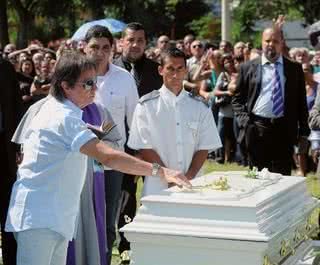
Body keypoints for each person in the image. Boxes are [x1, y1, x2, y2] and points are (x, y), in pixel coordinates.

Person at [5, 51, 190, 265]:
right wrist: (162, 171)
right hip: (39, 219)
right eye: (88, 83)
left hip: (52, 216)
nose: (95, 88)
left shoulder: (68, 111)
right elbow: (109, 157)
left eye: (96, 82)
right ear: (65, 86)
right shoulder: (62, 116)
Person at [128, 48, 221, 195]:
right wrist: (168, 175)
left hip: (193, 183)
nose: (175, 75)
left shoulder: (199, 106)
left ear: (186, 70)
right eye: (170, 69)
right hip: (158, 184)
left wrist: (189, 176)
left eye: (180, 69)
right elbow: (144, 147)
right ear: (160, 70)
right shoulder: (146, 105)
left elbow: (204, 146)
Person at [83, 25, 139, 265]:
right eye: (94, 47)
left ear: (113, 50)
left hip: (113, 164)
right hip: (79, 161)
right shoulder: (74, 77)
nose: (100, 52)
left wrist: (132, 167)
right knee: (80, 220)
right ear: (84, 48)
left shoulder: (124, 78)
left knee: (107, 221)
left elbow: (135, 122)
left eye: (106, 48)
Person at [113, 22, 163, 261]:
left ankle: (156, 240)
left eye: (140, 40)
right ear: (121, 41)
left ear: (146, 43)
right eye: (130, 40)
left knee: (156, 194)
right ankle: (125, 247)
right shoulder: (109, 69)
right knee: (125, 197)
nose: (135, 45)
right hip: (121, 145)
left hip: (153, 145)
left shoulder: (158, 71)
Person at [232, 27, 310, 175]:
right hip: (257, 128)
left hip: (284, 129)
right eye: (267, 41)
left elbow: (301, 103)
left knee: (282, 176)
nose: (270, 44)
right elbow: (236, 99)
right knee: (258, 176)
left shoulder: (294, 68)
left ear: (282, 43)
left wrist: (304, 133)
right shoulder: (247, 67)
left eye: (275, 41)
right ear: (261, 42)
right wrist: (245, 122)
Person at [0, 56, 23, 265]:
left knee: (8, 215)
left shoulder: (5, 67)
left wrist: (19, 147)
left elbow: (16, 109)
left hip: (5, 155)